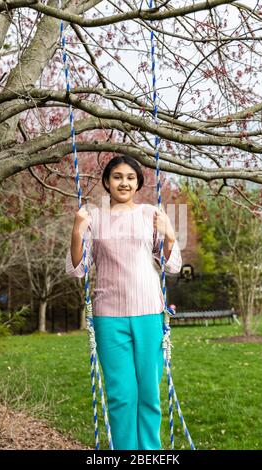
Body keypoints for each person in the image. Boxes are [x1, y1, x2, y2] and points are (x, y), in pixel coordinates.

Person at [65, 155, 182, 450]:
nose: (124, 182)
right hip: (109, 316)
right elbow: (78, 268)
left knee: (148, 395)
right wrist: (77, 230)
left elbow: (172, 265)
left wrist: (169, 234)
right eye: (117, 176)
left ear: (138, 182)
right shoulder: (93, 216)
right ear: (106, 181)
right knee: (122, 395)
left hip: (148, 313)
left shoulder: (151, 214)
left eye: (130, 177)